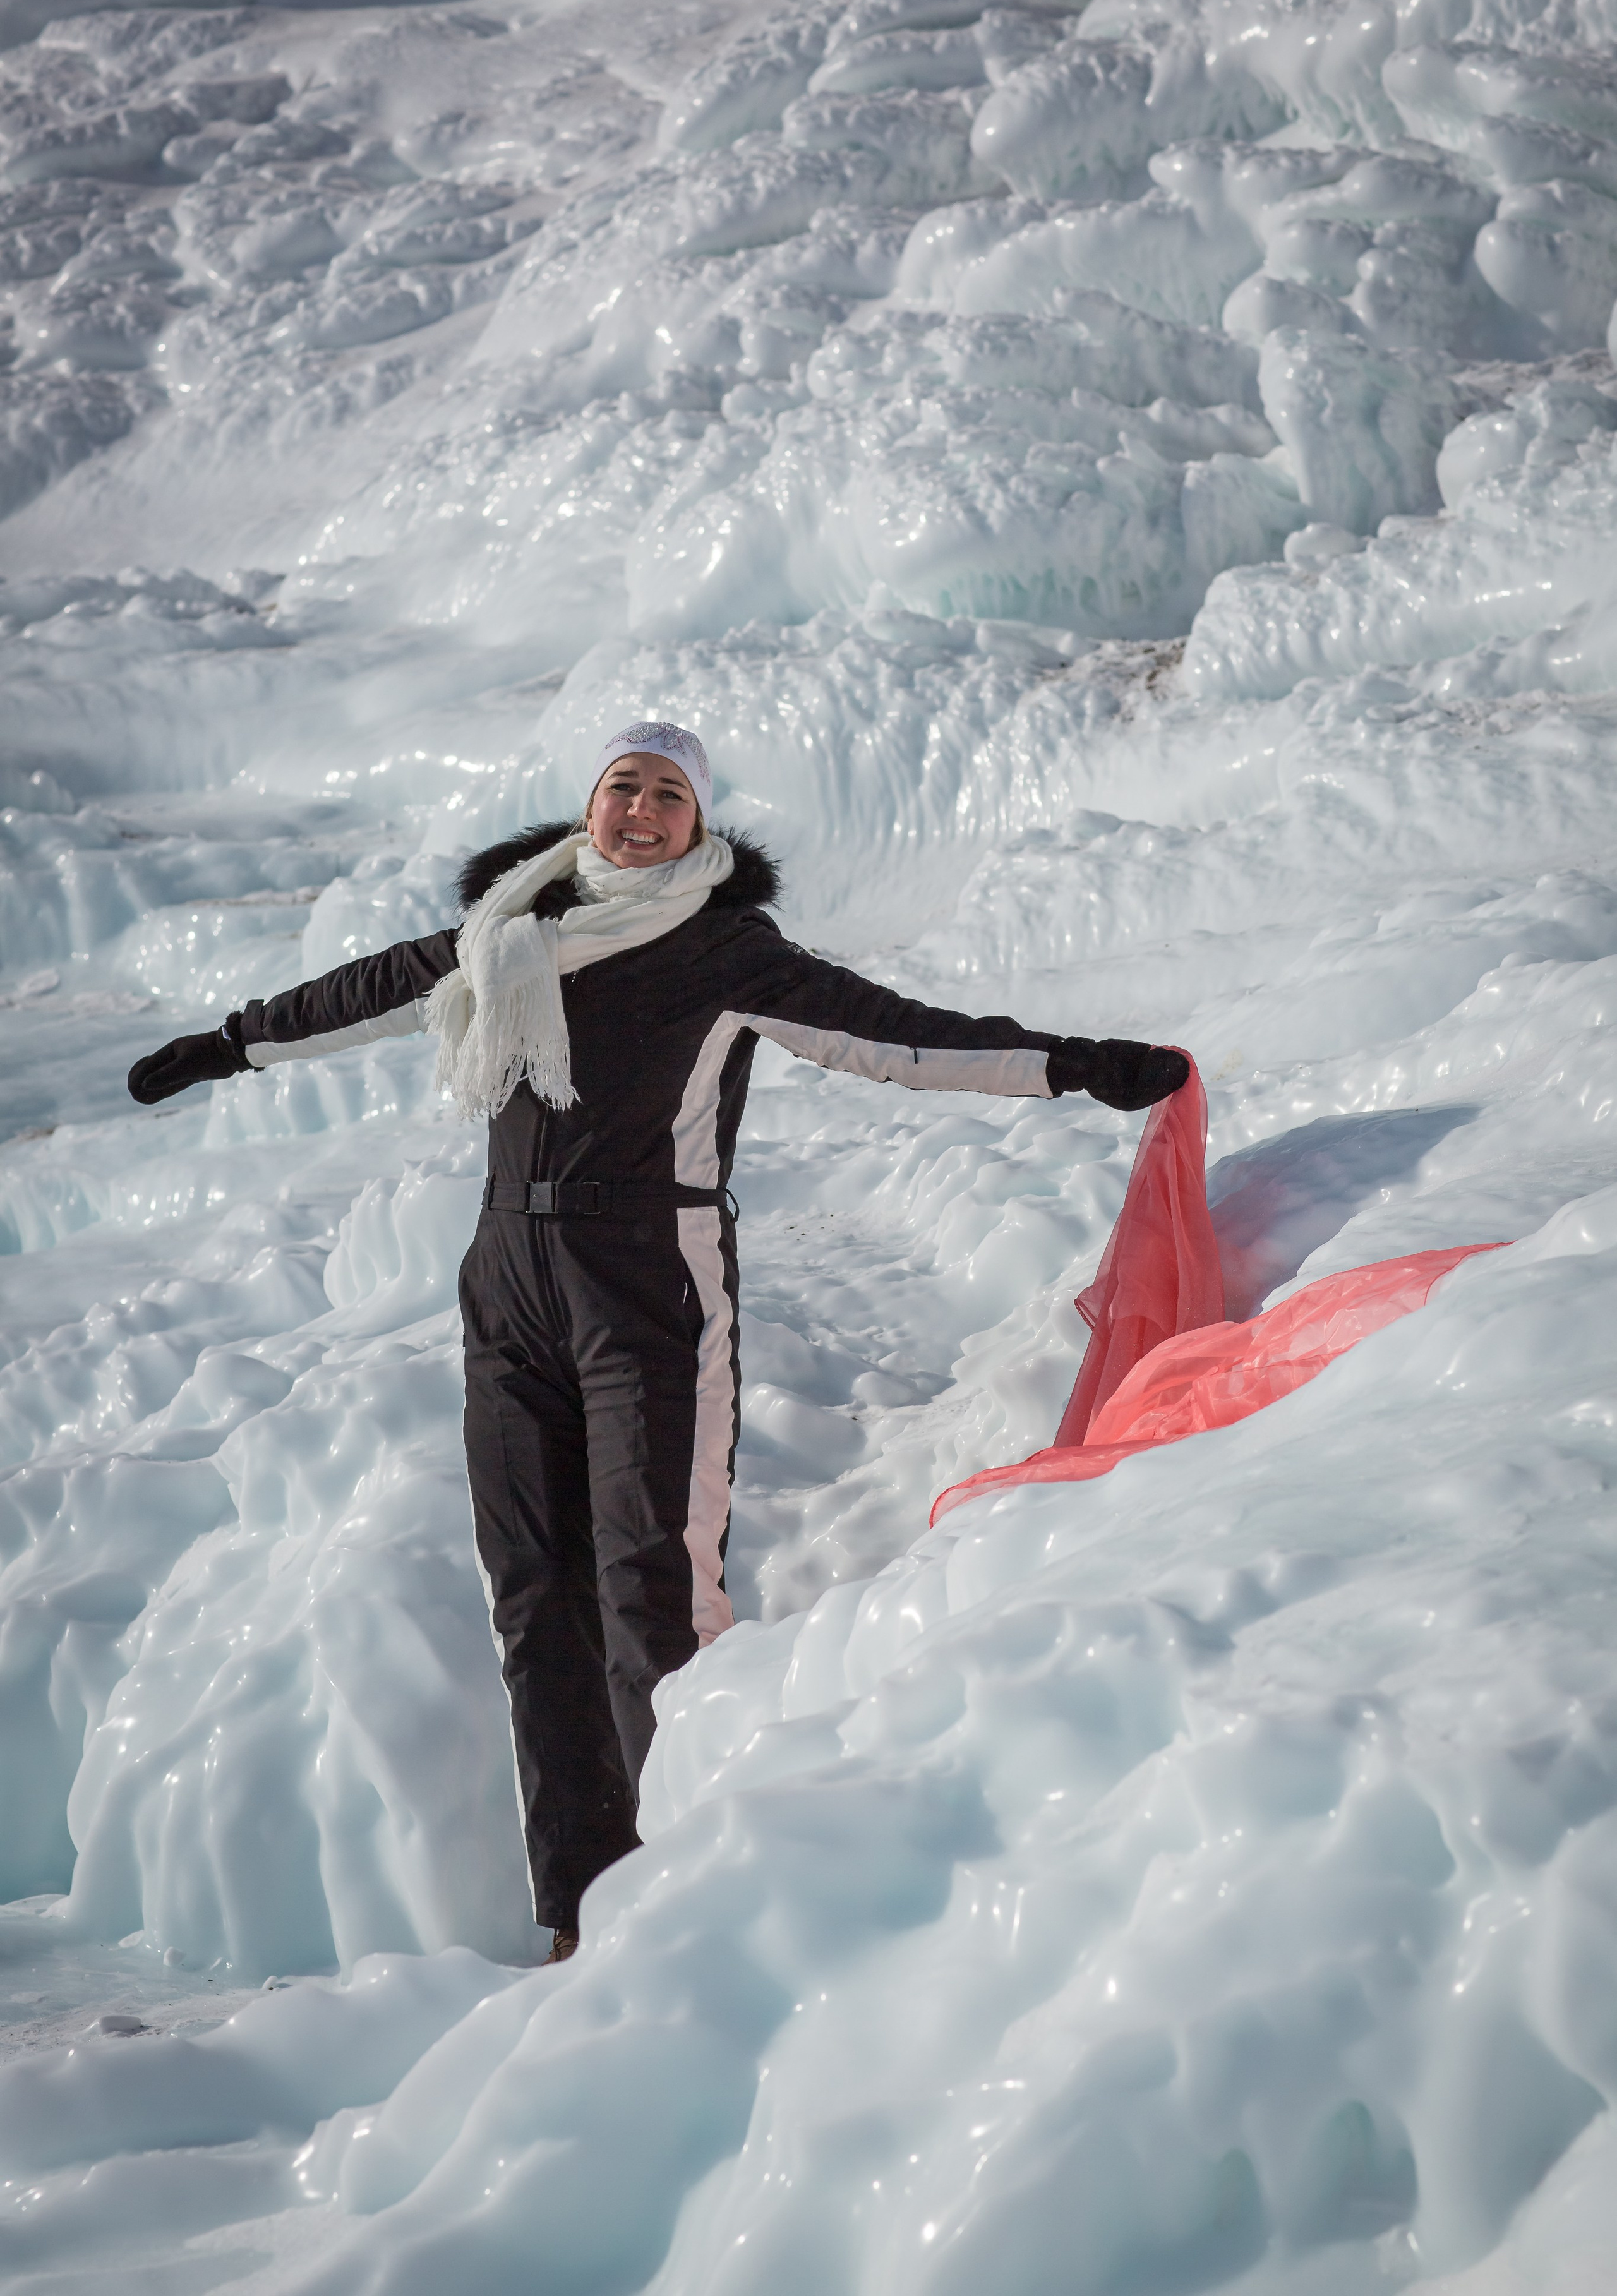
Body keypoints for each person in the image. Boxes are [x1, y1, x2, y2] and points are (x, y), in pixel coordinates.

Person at [129, 719, 1189, 1961]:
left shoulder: (724, 950)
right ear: (589, 804)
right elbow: (363, 992)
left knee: (653, 1595)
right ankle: (583, 1912)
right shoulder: (510, 931)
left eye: (667, 795)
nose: (638, 809)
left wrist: (1074, 1064)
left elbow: (898, 1037)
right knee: (534, 1598)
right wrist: (229, 1043)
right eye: (622, 786)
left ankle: (691, 1893)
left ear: (701, 825)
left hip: (652, 1286)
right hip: (508, 1290)